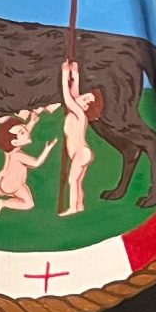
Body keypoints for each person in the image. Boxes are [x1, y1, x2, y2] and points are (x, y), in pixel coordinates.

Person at [57, 56, 104, 217]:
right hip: (82, 152)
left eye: (86, 100)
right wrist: (74, 74)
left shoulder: (79, 113)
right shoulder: (77, 112)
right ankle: (79, 205)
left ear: (84, 107)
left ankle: (72, 208)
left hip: (81, 152)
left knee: (72, 180)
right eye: (85, 96)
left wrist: (64, 74)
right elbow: (74, 94)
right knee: (78, 182)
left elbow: (68, 97)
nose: (83, 97)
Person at [0, 106, 46, 213]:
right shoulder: (17, 155)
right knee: (28, 203)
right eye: (22, 131)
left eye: (24, 127)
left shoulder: (10, 149)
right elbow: (36, 163)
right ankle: (3, 203)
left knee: (3, 189)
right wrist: (47, 149)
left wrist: (32, 122)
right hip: (13, 183)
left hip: (3, 178)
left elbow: (21, 136)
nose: (26, 130)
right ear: (14, 142)